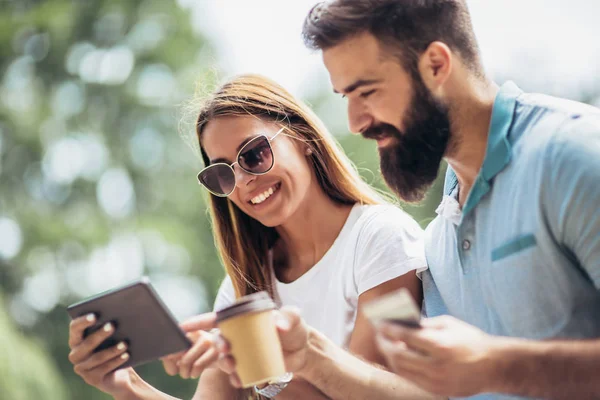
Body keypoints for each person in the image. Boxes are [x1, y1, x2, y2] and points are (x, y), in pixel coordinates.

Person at [214, 1, 597, 399]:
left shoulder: (572, 157)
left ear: (435, 65)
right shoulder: (439, 242)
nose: (355, 122)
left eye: (367, 91)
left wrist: (496, 367)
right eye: (345, 96)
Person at [67, 74, 428, 399]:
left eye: (254, 154)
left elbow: (376, 391)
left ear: (302, 137)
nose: (243, 182)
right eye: (223, 174)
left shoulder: (381, 239)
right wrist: (126, 386)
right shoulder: (244, 283)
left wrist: (261, 363)